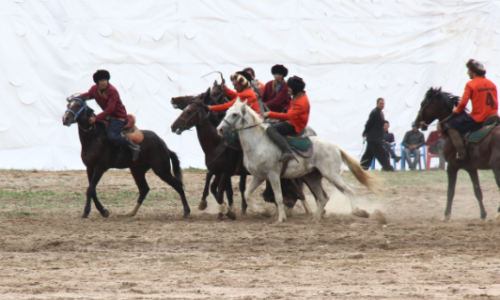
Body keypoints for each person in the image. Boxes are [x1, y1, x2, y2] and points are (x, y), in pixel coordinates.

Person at [79, 69, 140, 161]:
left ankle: (133, 146)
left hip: (119, 117)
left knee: (112, 136)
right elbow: (87, 95)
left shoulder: (112, 91)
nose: (104, 82)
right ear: (97, 82)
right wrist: (75, 99)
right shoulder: (94, 89)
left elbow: (110, 109)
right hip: (109, 117)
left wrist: (96, 118)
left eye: (105, 80)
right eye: (101, 80)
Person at [447, 59, 498, 160]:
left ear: (473, 72)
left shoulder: (471, 84)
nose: (467, 73)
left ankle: (461, 153)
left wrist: (456, 110)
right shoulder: (492, 84)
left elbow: (463, 102)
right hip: (493, 118)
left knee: (451, 125)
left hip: (479, 119)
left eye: (469, 70)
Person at [263, 76, 309, 163]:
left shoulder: (301, 101)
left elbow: (288, 116)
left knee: (270, 129)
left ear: (295, 89)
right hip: (293, 121)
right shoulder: (298, 96)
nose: (288, 89)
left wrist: (270, 114)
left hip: (295, 126)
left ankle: (287, 151)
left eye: (290, 88)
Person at [360, 98, 394, 171]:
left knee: (368, 155)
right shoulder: (374, 112)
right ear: (377, 104)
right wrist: (365, 131)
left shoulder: (380, 113)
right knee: (381, 153)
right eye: (381, 104)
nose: (382, 105)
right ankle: (387, 168)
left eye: (383, 104)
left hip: (377, 138)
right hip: (373, 138)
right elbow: (369, 123)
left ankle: (362, 168)